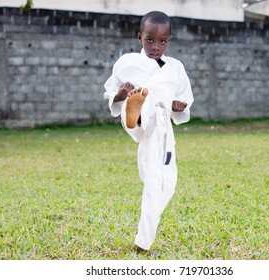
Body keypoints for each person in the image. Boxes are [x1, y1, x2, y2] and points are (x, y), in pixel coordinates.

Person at [103, 11, 194, 254]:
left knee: (165, 182)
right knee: (156, 181)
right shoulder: (127, 62)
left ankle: (137, 112)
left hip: (161, 127)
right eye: (149, 40)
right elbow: (110, 90)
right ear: (139, 37)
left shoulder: (176, 68)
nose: (156, 46)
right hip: (139, 115)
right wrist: (120, 95)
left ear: (170, 40)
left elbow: (185, 97)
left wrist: (179, 106)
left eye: (162, 41)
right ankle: (134, 113)